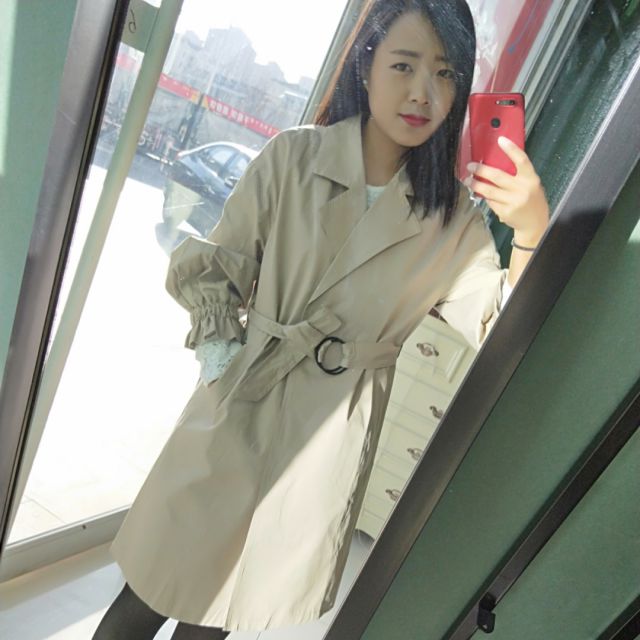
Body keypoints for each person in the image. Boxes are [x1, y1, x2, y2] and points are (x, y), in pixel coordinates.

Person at [93, 0, 549, 638]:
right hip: (240, 401)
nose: (423, 92)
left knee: (222, 612)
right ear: (367, 66)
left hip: (328, 439)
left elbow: (497, 324)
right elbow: (220, 265)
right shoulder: (293, 157)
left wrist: (530, 230)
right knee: (147, 593)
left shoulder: (452, 221)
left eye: (445, 73)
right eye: (404, 65)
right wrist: (223, 362)